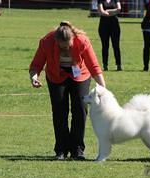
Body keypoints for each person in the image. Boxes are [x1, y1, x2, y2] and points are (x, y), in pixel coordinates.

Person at [29, 21, 106, 160]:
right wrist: (34, 77)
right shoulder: (47, 41)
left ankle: (77, 150)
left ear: (73, 38)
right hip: (55, 76)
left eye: (68, 45)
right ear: (56, 41)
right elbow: (36, 64)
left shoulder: (82, 41)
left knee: (80, 110)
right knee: (59, 111)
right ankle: (61, 150)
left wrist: (103, 88)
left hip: (80, 76)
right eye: (61, 46)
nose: (65, 48)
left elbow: (94, 66)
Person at [98, 0, 122, 71]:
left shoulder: (115, 0)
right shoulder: (100, 1)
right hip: (103, 26)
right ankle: (105, 65)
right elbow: (101, 12)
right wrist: (113, 12)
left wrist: (107, 11)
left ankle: (118, 65)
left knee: (116, 45)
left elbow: (119, 9)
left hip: (115, 25)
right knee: (105, 46)